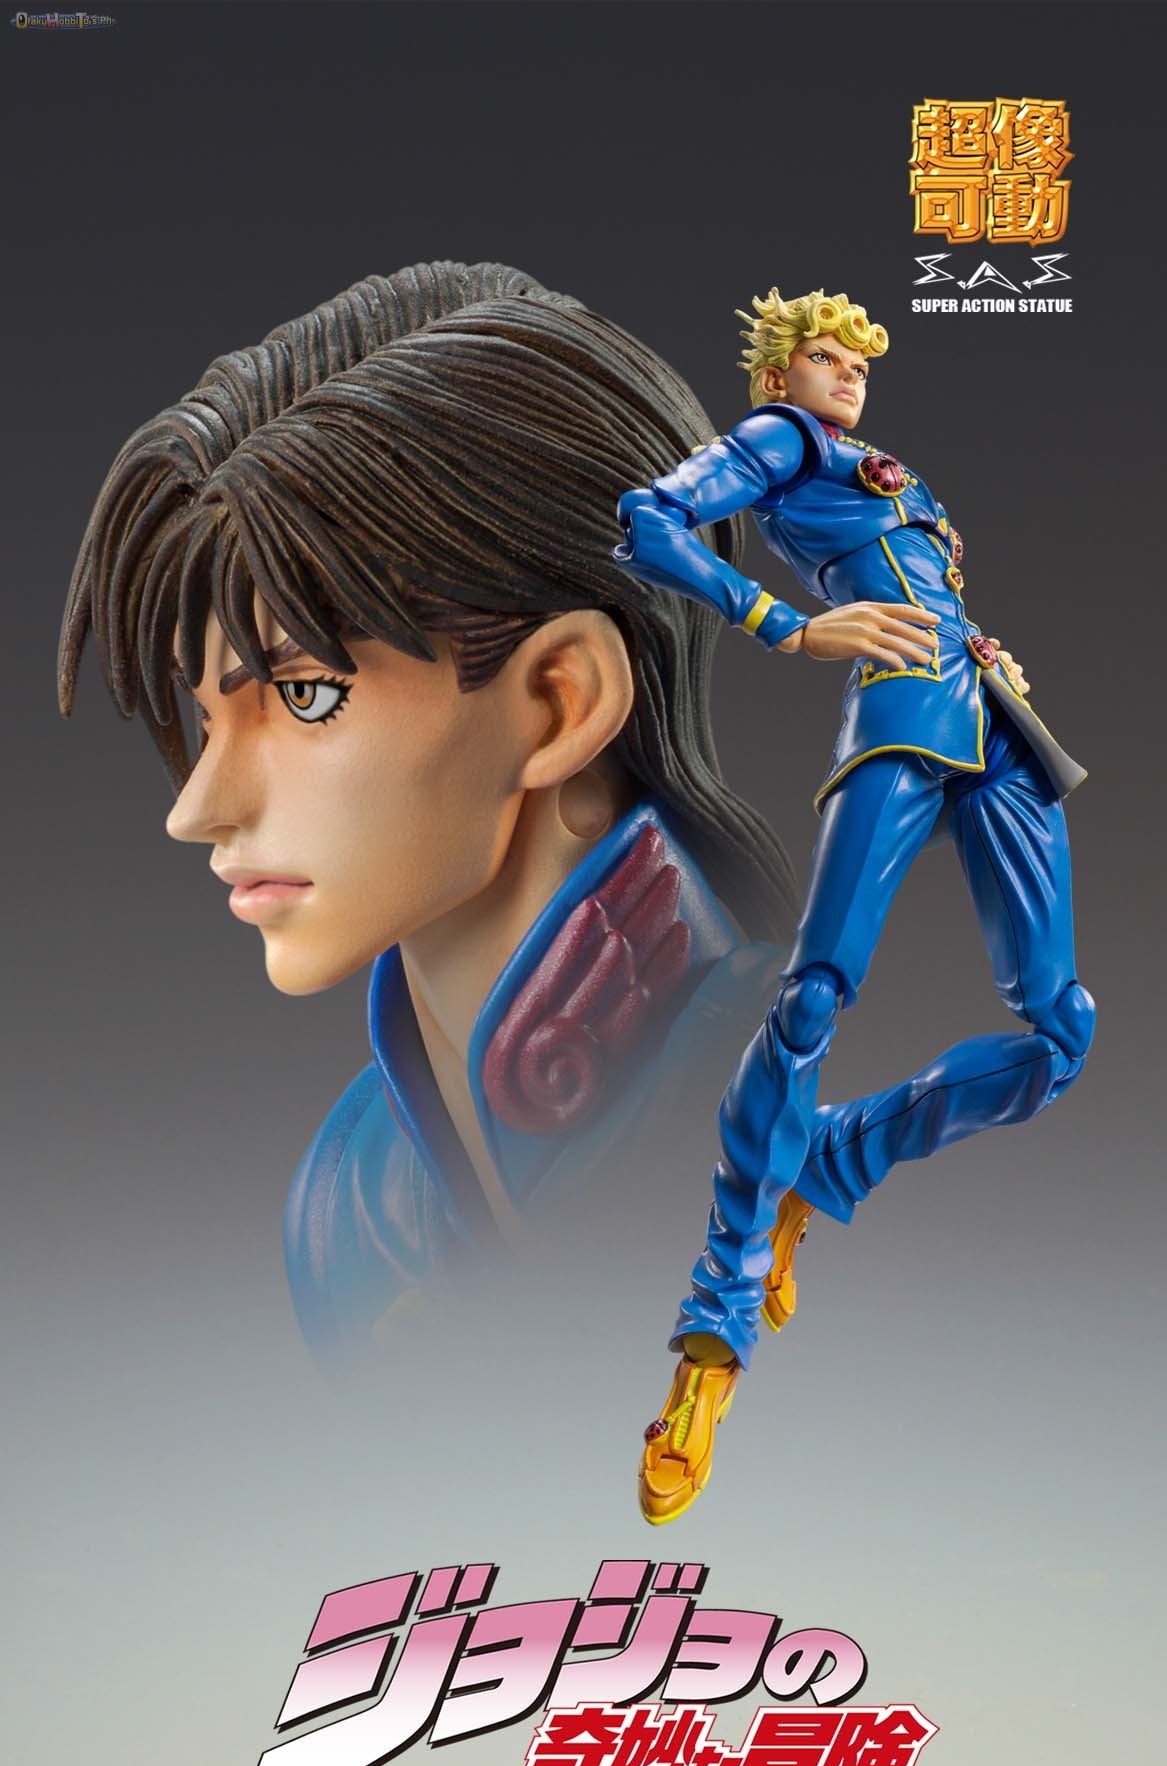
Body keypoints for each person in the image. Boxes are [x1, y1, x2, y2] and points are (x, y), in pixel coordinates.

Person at [58, 260, 798, 1367]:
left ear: (560, 699)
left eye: (305, 696)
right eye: (208, 718)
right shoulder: (348, 1200)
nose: (199, 807)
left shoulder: (798, 1100)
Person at [615, 286, 1094, 1524]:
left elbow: (925, 585)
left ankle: (829, 1158)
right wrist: (789, 626)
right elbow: (650, 518)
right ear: (781, 371)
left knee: (1061, 1037)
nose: (847, 376)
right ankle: (714, 1334)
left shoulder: (889, 468)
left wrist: (985, 648)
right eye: (825, 357)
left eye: (858, 363)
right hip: (901, 721)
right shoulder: (783, 439)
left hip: (993, 722)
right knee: (814, 998)